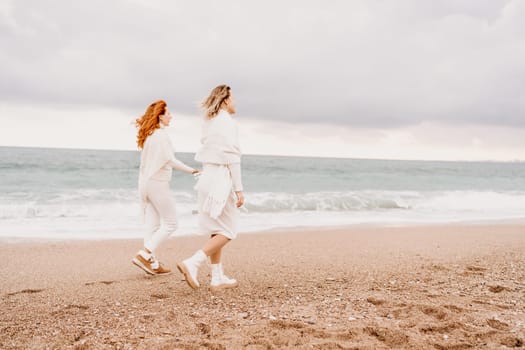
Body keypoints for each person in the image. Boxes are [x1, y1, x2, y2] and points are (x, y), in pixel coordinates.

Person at [177, 85, 244, 292]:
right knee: (229, 230)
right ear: (225, 100)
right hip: (220, 179)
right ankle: (194, 262)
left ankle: (217, 278)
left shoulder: (209, 122)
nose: (235, 102)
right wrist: (239, 189)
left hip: (207, 177)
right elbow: (232, 157)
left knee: (217, 229)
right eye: (233, 98)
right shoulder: (227, 123)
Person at [132, 100, 199, 275]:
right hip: (157, 183)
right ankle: (144, 254)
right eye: (168, 113)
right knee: (171, 223)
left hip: (146, 183)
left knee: (152, 225)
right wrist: (192, 170)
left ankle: (152, 264)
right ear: (160, 116)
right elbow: (169, 160)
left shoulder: (150, 135)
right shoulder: (160, 136)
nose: (171, 116)